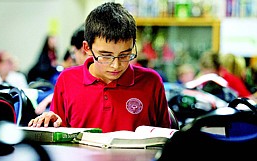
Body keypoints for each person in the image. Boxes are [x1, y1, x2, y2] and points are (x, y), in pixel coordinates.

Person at [28, 2, 171, 132]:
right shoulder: (67, 80)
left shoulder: (151, 82)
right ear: (87, 48)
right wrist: (49, 124)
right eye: (106, 56)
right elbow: (60, 133)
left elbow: (165, 139)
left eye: (125, 55)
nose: (116, 65)